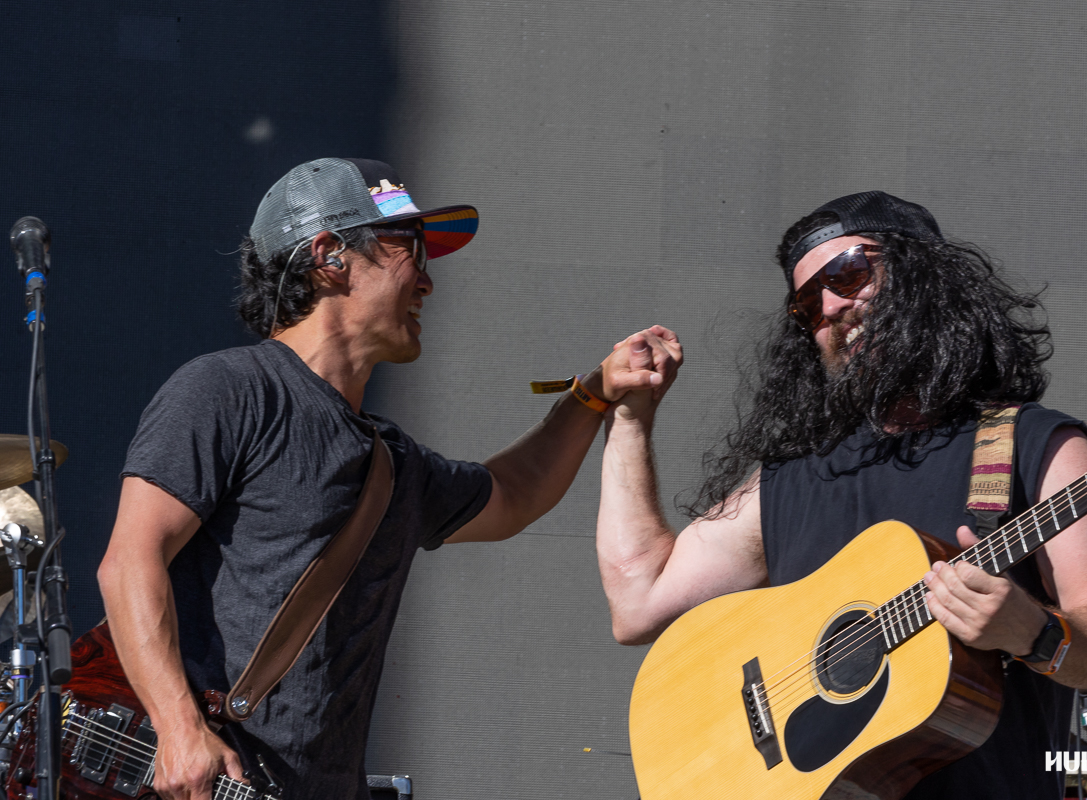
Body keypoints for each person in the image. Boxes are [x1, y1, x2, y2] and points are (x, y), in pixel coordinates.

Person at [97, 158, 673, 800]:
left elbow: (513, 496)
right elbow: (129, 562)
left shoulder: (391, 463)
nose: (427, 281)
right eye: (409, 250)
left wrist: (592, 393)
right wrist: (177, 726)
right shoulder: (226, 391)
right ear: (328, 256)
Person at [596, 191, 1087, 799]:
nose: (830, 306)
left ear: (922, 276)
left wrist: (1035, 633)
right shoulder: (789, 478)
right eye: (807, 303)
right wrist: (629, 420)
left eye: (848, 273)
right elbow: (639, 602)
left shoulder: (1032, 444)